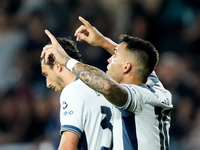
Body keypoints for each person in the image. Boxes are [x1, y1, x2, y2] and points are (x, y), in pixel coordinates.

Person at [41, 16, 173, 150]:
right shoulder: (156, 87)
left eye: (115, 56)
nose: (109, 59)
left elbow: (107, 86)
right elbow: (137, 59)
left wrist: (66, 61)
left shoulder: (137, 98)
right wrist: (102, 41)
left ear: (126, 67)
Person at [41, 37, 123, 150]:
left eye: (46, 74)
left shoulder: (72, 91)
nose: (48, 83)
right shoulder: (108, 89)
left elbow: (68, 147)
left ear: (57, 65)